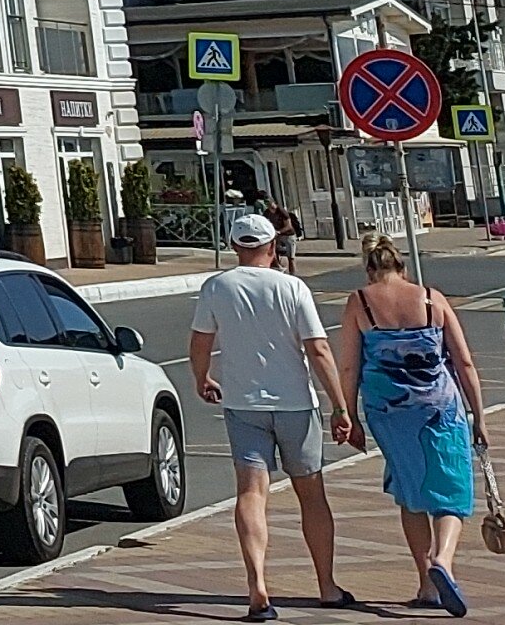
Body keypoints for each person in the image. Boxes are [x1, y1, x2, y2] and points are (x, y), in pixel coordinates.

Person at [192, 210, 363, 621]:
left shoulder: (216, 287)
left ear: (234, 247)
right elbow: (318, 350)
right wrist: (340, 407)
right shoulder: (292, 287)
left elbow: (200, 342)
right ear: (272, 246)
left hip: (243, 405)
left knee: (251, 494)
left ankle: (258, 586)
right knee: (312, 495)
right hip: (295, 406)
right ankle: (327, 586)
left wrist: (203, 378)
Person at [335, 233, 485, 617]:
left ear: (369, 269)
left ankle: (426, 585)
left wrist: (347, 414)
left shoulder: (359, 302)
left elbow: (349, 366)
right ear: (402, 266)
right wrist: (479, 417)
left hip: (388, 412)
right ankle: (442, 560)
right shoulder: (432, 298)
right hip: (440, 408)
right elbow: (464, 362)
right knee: (452, 488)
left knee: (409, 488)